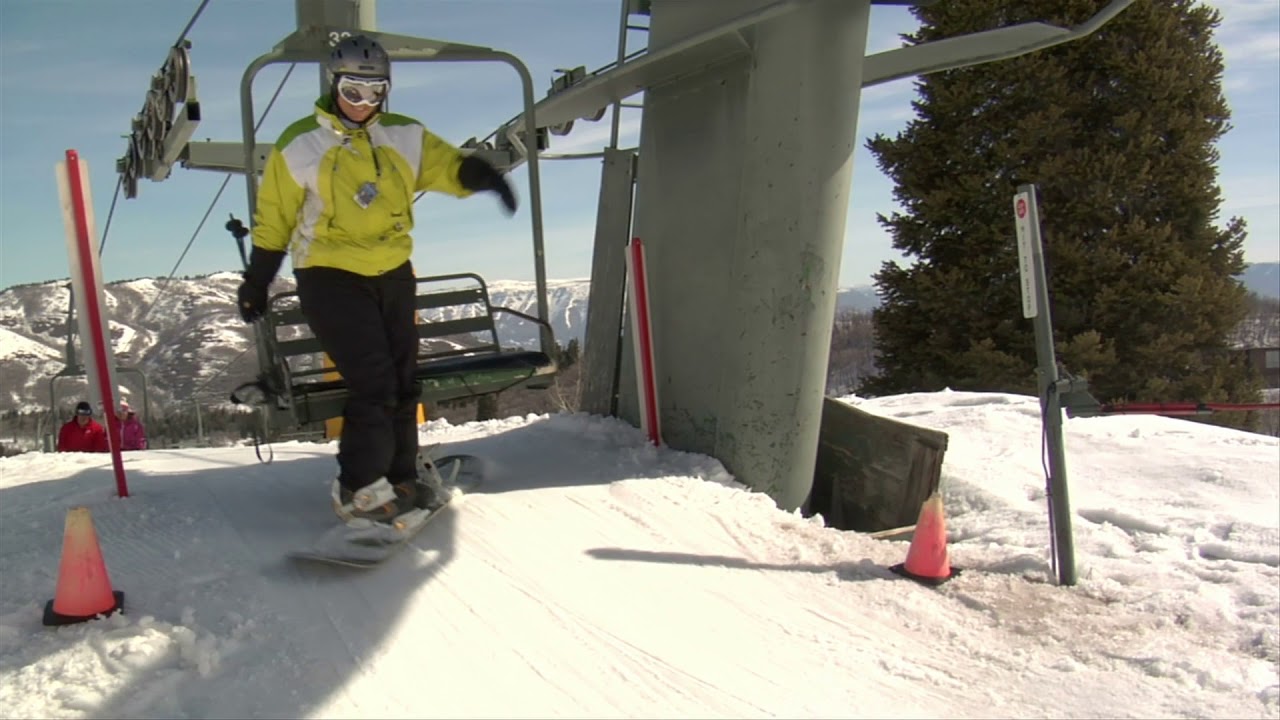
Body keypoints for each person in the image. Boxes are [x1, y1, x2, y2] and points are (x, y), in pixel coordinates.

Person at [235, 34, 517, 526]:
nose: (363, 104)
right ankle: (359, 489)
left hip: (393, 272)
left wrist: (485, 177)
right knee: (375, 383)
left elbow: (448, 167)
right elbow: (275, 217)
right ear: (333, 86)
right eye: (352, 91)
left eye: (374, 92)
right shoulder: (300, 144)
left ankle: (401, 476)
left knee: (403, 381)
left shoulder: (404, 135)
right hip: (329, 274)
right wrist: (258, 280)